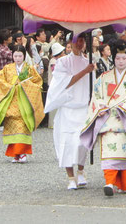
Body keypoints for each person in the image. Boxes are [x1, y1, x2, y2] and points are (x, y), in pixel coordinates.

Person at [80, 46, 126, 196]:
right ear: (113, 59)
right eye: (118, 58)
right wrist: (101, 107)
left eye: (124, 58)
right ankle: (109, 183)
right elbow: (96, 96)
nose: (121, 61)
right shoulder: (104, 77)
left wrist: (125, 109)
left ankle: (124, 183)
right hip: (107, 119)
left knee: (124, 156)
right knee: (109, 155)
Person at [45, 35, 95, 189]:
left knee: (81, 143)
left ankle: (81, 170)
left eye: (82, 41)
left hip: (82, 108)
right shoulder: (63, 62)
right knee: (67, 143)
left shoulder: (88, 62)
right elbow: (65, 83)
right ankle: (70, 177)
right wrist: (85, 71)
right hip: (68, 108)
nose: (79, 44)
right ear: (70, 43)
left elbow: (92, 87)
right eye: (76, 41)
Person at [0, 47, 44, 163]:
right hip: (11, 100)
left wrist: (25, 85)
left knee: (23, 126)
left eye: (20, 56)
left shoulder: (29, 69)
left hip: (24, 102)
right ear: (12, 56)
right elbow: (0, 79)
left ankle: (23, 153)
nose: (17, 58)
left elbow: (38, 82)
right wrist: (10, 86)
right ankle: (16, 154)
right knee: (11, 126)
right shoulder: (7, 68)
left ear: (24, 56)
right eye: (15, 56)